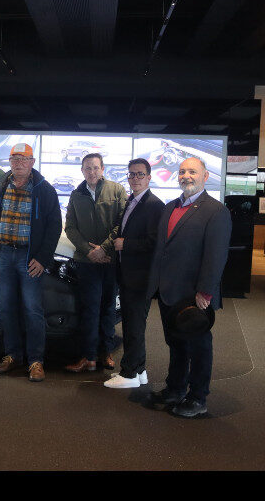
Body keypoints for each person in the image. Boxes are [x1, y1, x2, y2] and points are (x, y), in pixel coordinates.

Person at [146, 157, 231, 418]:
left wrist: (205, 291)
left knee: (199, 347)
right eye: (182, 171)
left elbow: (216, 255)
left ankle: (197, 398)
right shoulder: (171, 207)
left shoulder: (216, 211)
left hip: (195, 295)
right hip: (169, 292)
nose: (186, 175)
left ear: (206, 176)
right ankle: (175, 389)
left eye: (192, 171)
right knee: (176, 344)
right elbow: (163, 250)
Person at [0, 143, 62, 382]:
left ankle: (36, 361)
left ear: (32, 162)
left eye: (23, 159)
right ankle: (12, 355)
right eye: (14, 159)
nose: (18, 163)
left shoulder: (44, 190)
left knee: (32, 310)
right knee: (6, 308)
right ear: (10, 161)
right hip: (3, 255)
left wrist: (43, 259)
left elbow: (54, 227)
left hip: (29, 259)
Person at [103, 158, 164, 388]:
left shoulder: (154, 205)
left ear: (149, 177)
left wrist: (125, 244)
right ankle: (139, 371)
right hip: (129, 275)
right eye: (131, 174)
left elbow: (155, 242)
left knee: (134, 326)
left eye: (139, 174)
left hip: (140, 277)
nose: (134, 178)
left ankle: (129, 374)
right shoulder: (133, 200)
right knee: (133, 324)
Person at [64, 153, 128, 373]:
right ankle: (89, 357)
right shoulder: (76, 195)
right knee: (89, 309)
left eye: (95, 168)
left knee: (108, 308)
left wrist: (104, 249)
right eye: (87, 168)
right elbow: (70, 227)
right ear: (82, 171)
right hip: (86, 261)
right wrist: (88, 251)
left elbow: (122, 223)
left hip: (110, 260)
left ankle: (106, 353)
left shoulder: (117, 190)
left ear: (103, 169)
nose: (91, 172)